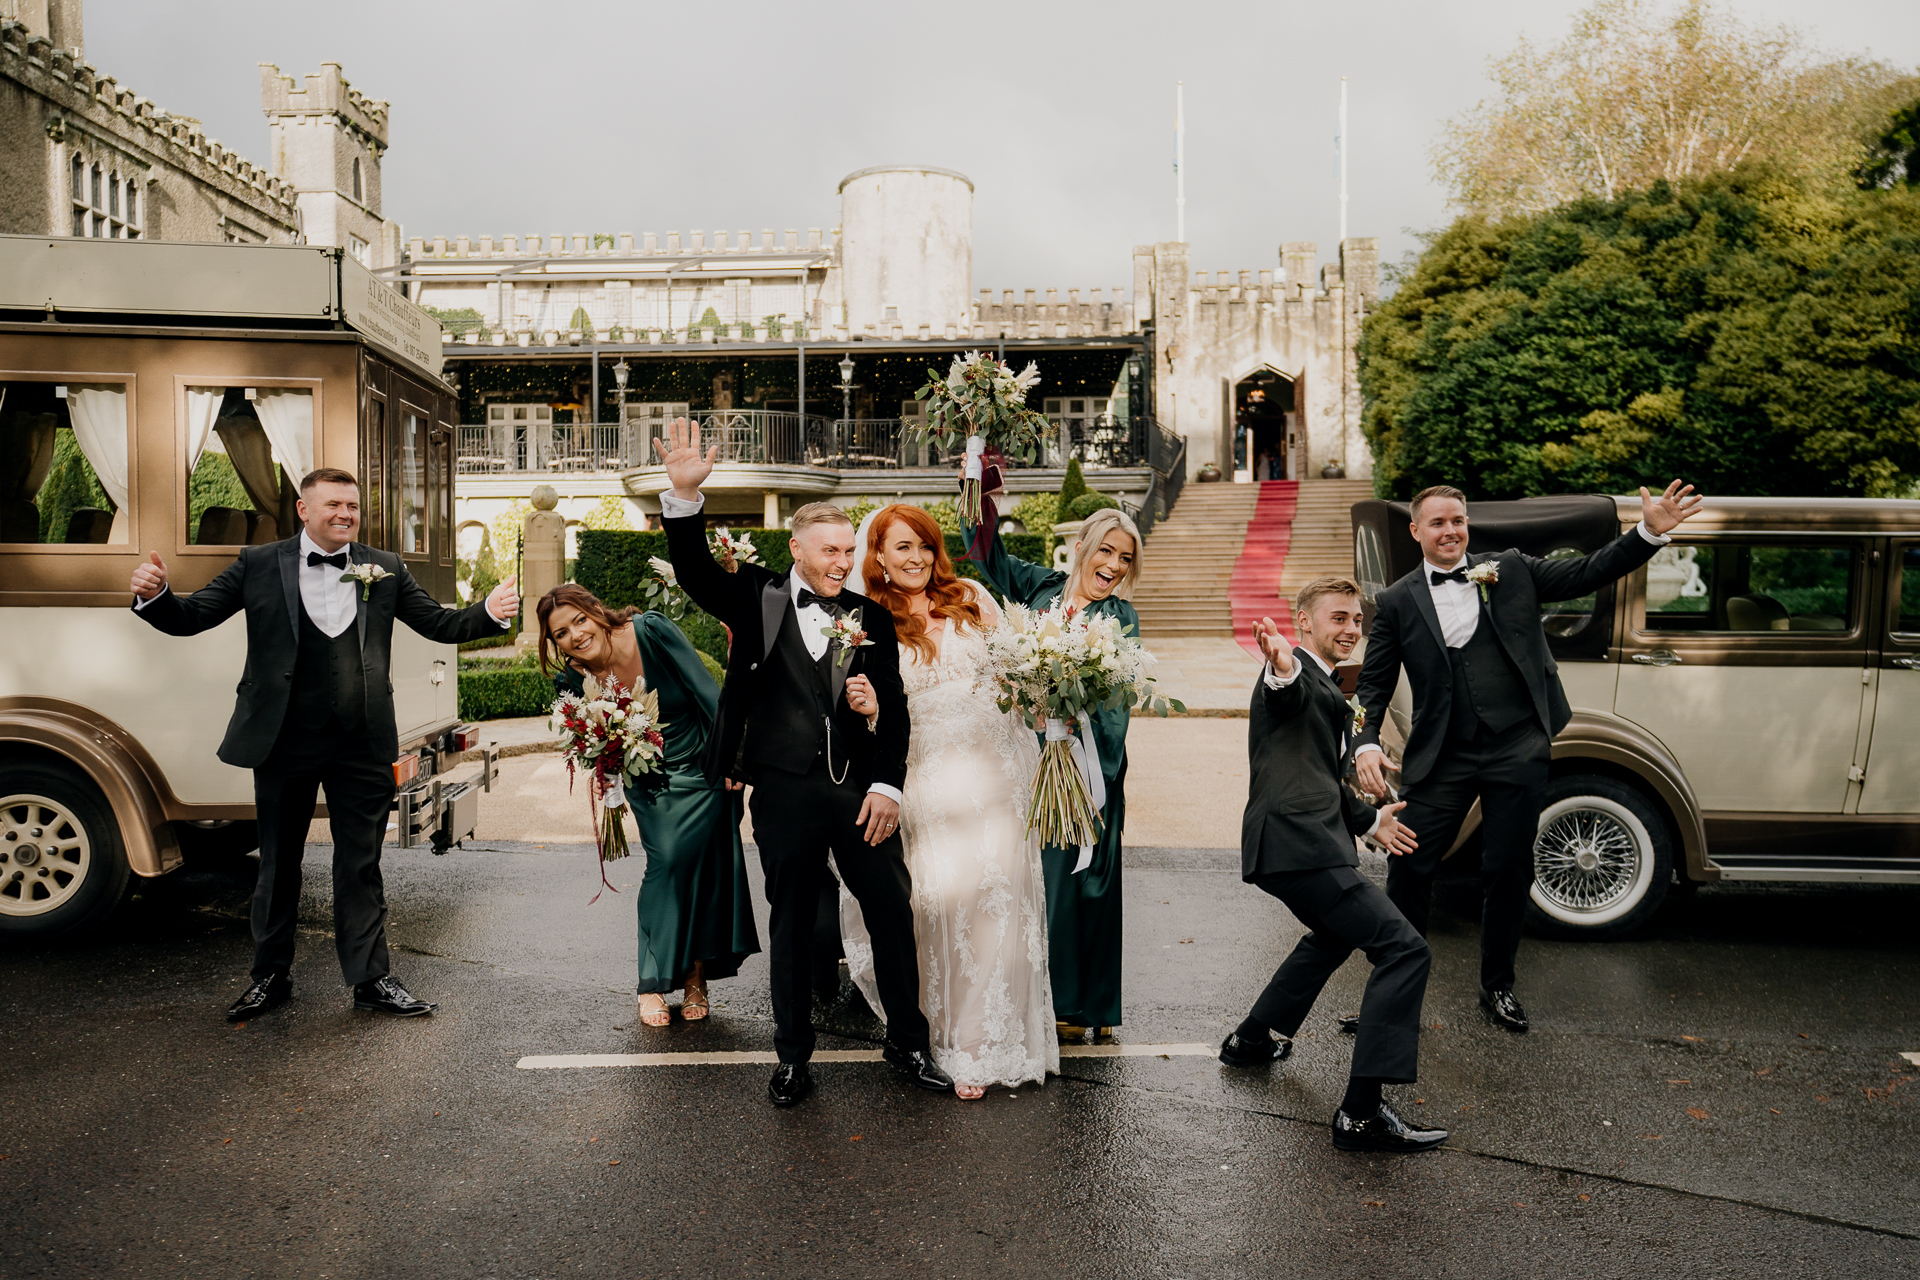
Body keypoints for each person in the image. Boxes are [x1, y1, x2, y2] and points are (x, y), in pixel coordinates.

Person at [129, 467, 519, 1022]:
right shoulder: (258, 564)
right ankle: (269, 978)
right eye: (333, 504)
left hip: (361, 741)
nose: (345, 514)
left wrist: (488, 614)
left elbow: (437, 623)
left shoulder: (382, 568)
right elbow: (192, 618)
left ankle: (371, 980)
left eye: (353, 506)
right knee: (279, 863)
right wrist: (158, 595)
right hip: (283, 739)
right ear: (303, 509)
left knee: (360, 863)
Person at [652, 421, 951, 1108]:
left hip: (858, 793)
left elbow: (896, 709)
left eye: (849, 550)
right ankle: (792, 1058)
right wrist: (684, 495)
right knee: (789, 922)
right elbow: (695, 570)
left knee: (891, 911)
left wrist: (886, 783)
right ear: (796, 549)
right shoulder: (755, 596)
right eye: (830, 551)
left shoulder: (870, 618)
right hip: (784, 791)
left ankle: (908, 1042)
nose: (842, 562)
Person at [1352, 480, 1704, 1033]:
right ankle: (1393, 992)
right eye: (1438, 523)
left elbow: (1586, 572)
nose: (1450, 531)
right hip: (1444, 752)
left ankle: (1498, 987)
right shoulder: (1396, 601)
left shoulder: (1508, 568)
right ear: (1416, 531)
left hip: (1517, 744)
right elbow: (1373, 686)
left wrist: (1647, 533)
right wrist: (1366, 742)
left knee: (1508, 868)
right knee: (1410, 863)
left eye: (1458, 521)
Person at [838, 504, 1058, 1099]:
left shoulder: (971, 598)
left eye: (925, 547)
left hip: (998, 774)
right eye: (902, 548)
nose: (915, 559)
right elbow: (868, 709)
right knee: (938, 908)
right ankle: (949, 1038)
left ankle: (991, 1043)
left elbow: (1019, 675)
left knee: (1000, 906)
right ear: (878, 555)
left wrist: (1052, 687)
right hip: (927, 778)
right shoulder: (864, 618)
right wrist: (869, 708)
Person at [1223, 577, 1446, 1154]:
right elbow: (1284, 690)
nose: (1350, 629)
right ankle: (1362, 1112)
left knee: (1332, 933)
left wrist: (1370, 822)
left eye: (1356, 621)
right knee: (1404, 948)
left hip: (1295, 843)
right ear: (1304, 621)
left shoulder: (1327, 681)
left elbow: (1318, 772)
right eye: (1338, 618)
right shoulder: (1293, 672)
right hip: (1301, 845)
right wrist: (1280, 666)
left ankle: (1251, 1039)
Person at [537, 585, 759, 1027]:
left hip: (703, 764)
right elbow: (595, 742)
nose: (575, 635)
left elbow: (709, 694)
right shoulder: (572, 681)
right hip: (650, 780)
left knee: (707, 865)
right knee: (669, 863)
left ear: (597, 611)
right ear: (555, 643)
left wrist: (734, 759)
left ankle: (696, 976)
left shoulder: (651, 631)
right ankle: (653, 979)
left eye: (579, 620)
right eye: (561, 633)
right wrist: (604, 765)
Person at [965, 501, 1142, 1038]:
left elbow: (1116, 699)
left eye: (1125, 559)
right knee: (1050, 886)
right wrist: (975, 478)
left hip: (1087, 769)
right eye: (1106, 550)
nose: (1113, 565)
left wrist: (1068, 724)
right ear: (1084, 546)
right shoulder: (1043, 586)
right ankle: (1063, 1001)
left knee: (1087, 884)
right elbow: (984, 550)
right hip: (1034, 765)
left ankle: (1090, 1007)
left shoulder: (1120, 617)